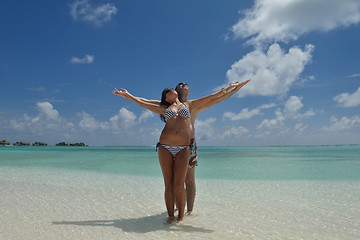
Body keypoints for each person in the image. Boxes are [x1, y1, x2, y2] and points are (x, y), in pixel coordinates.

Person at [137, 80, 250, 214]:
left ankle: (189, 211)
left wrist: (235, 89)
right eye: (180, 84)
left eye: (186, 84)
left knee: (189, 180)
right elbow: (145, 101)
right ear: (175, 91)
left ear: (188, 91)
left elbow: (217, 98)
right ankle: (176, 210)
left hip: (189, 145)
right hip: (171, 144)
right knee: (173, 181)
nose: (184, 83)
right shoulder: (167, 104)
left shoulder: (194, 104)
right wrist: (128, 95)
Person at [112, 87, 192, 224]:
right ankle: (171, 216)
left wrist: (232, 88)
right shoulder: (164, 108)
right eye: (168, 91)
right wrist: (128, 95)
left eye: (171, 89)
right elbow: (143, 102)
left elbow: (212, 98)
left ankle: (181, 217)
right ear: (166, 98)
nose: (171, 90)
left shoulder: (188, 104)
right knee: (168, 184)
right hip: (165, 146)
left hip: (184, 147)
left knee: (179, 184)